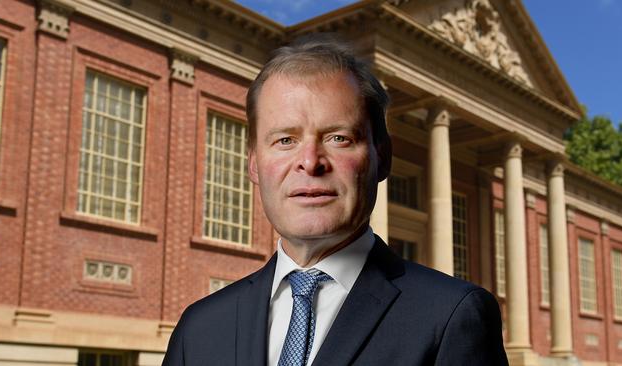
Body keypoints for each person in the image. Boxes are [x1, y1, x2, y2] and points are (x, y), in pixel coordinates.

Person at [162, 34, 508, 366]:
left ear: (381, 158)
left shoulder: (452, 317)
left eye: (339, 137)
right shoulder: (199, 328)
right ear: (254, 163)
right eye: (285, 140)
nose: (311, 162)